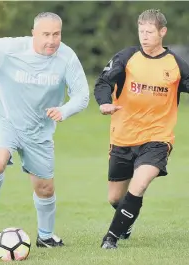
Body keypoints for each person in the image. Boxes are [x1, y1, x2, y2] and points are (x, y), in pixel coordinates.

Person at [0, 12, 89, 247]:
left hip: (39, 130)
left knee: (45, 188)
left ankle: (45, 236)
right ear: (33, 33)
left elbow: (82, 95)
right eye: (46, 34)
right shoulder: (10, 49)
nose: (52, 41)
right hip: (5, 119)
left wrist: (65, 110)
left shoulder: (66, 57)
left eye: (56, 34)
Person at [94, 9, 189, 249]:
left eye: (149, 32)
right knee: (115, 197)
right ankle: (126, 217)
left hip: (157, 137)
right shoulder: (127, 57)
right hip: (123, 137)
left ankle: (110, 238)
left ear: (162, 32)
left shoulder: (175, 64)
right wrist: (105, 102)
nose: (144, 37)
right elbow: (104, 81)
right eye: (141, 32)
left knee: (140, 183)